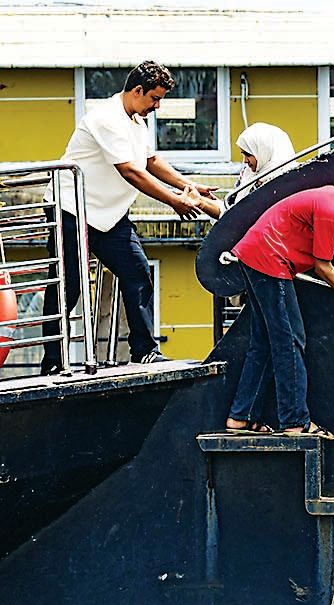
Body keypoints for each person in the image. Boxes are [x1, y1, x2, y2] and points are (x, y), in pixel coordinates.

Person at [42, 60, 219, 372]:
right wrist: (175, 202)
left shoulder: (137, 119)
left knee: (137, 271)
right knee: (68, 285)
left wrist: (188, 185)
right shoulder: (105, 119)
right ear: (138, 90)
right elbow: (131, 172)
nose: (158, 105)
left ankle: (144, 350)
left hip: (108, 215)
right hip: (71, 209)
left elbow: (150, 161)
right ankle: (53, 362)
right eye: (155, 98)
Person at [222, 160, 334, 438]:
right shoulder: (331, 209)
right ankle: (295, 422)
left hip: (260, 257)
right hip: (269, 260)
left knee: (265, 342)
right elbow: (324, 266)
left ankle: (240, 417)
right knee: (290, 340)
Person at [232, 122, 296, 203]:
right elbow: (229, 210)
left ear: (264, 152)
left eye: (248, 154)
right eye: (243, 154)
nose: (245, 161)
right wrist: (210, 202)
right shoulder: (247, 175)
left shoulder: (286, 179)